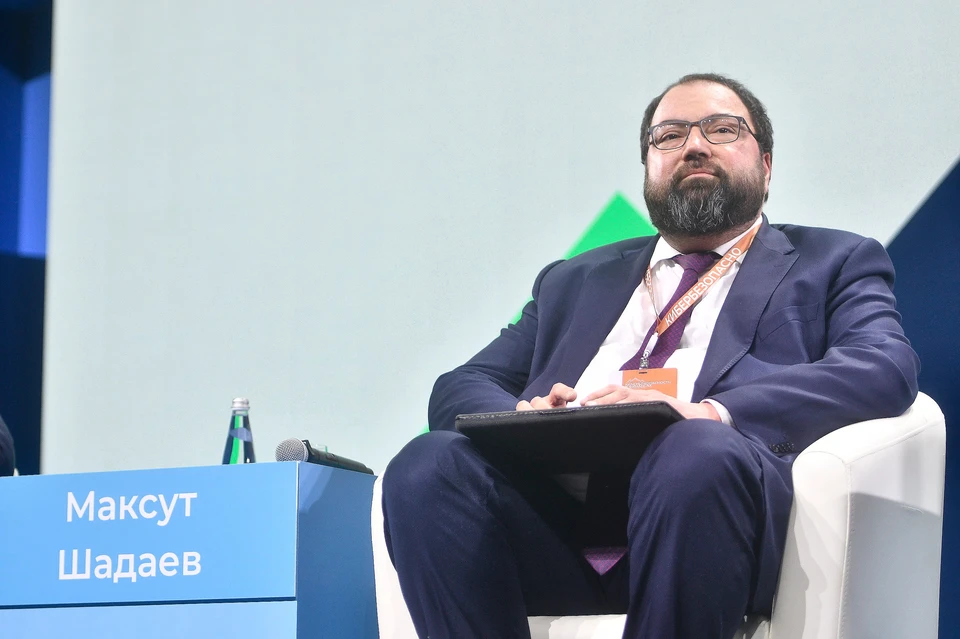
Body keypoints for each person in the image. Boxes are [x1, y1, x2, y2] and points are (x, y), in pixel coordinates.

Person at [381, 73, 919, 639]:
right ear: (647, 168)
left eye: (722, 129)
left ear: (766, 166)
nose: (694, 145)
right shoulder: (574, 280)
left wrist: (706, 414)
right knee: (427, 466)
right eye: (670, 136)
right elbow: (462, 383)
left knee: (692, 449)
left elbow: (882, 364)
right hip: (558, 533)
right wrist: (522, 417)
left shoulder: (832, 260)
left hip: (710, 519)